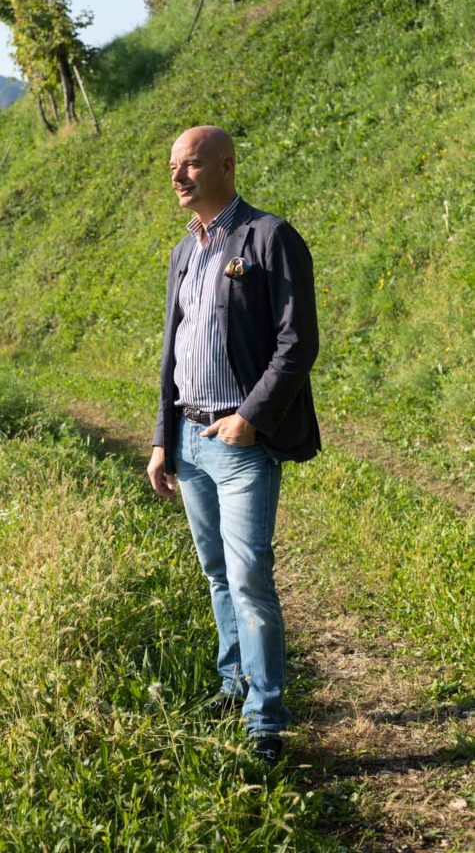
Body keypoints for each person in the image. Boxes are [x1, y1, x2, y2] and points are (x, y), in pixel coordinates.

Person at [147, 125, 321, 768]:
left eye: (189, 164)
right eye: (172, 166)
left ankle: (265, 720)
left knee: (249, 578)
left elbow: (297, 340)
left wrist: (250, 418)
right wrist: (164, 438)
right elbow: (172, 352)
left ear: (225, 165)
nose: (177, 176)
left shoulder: (269, 237)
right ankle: (234, 685)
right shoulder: (182, 253)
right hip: (189, 439)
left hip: (239, 440)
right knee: (217, 574)